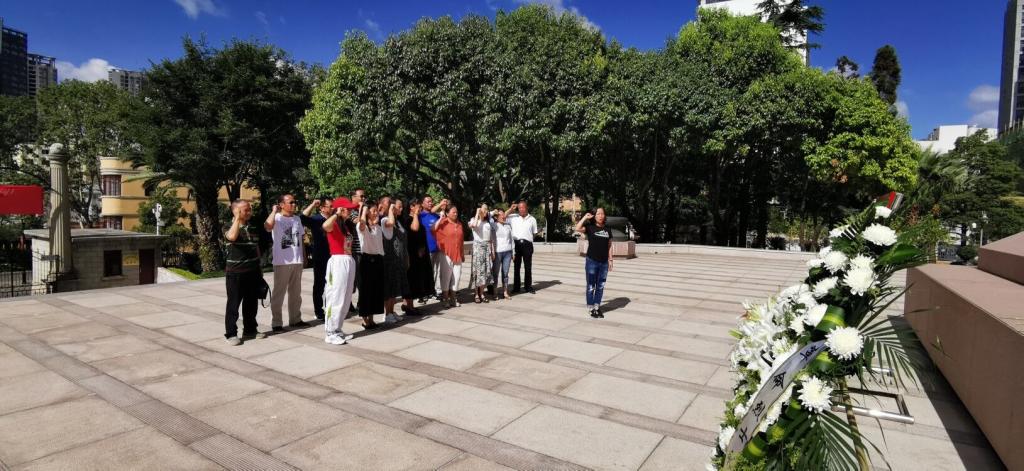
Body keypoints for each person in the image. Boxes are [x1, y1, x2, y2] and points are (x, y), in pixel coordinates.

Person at [223, 200, 267, 345]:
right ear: (235, 211)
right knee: (233, 304)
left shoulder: (253, 226)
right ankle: (231, 333)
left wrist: (259, 268)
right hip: (235, 273)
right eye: (245, 210)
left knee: (251, 303)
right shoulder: (227, 226)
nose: (249, 212)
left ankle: (250, 330)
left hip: (253, 271)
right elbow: (231, 237)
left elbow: (256, 248)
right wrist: (237, 218)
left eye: (250, 209)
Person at [264, 194, 309, 331]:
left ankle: (295, 319)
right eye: (291, 202)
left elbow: (301, 239)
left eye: (295, 202)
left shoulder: (297, 219)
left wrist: (304, 256)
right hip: (282, 261)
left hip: (297, 260)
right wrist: (273, 211)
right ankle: (277, 323)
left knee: (296, 293)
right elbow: (267, 226)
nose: (294, 204)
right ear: (281, 204)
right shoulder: (276, 218)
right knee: (279, 293)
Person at [321, 197, 360, 345]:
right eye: (347, 209)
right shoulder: (333, 223)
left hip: (348, 259)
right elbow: (325, 225)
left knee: (346, 296)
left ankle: (337, 329)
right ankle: (330, 332)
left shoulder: (346, 226)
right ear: (340, 209)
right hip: (337, 261)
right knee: (335, 296)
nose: (350, 211)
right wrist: (336, 214)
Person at [575, 208, 613, 318]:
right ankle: (591, 308)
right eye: (598, 214)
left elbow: (610, 245)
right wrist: (585, 217)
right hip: (592, 261)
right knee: (591, 286)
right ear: (594, 216)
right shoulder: (590, 227)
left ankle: (597, 307)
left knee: (600, 286)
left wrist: (610, 260)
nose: (601, 216)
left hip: (604, 262)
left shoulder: (607, 229)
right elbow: (577, 228)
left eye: (602, 214)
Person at [301, 198, 331, 320]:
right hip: (320, 256)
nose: (332, 208)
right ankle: (319, 311)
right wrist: (313, 204)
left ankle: (330, 308)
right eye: (329, 206)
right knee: (319, 285)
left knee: (332, 285)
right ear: (322, 208)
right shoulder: (316, 219)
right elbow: (302, 217)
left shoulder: (334, 218)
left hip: (333, 256)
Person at [356, 203, 386, 329]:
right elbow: (361, 224)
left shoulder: (378, 227)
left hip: (378, 259)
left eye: (376, 211)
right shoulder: (362, 226)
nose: (376, 213)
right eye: (373, 211)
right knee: (365, 290)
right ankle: (365, 320)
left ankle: (372, 319)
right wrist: (363, 210)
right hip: (366, 260)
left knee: (375, 290)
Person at [381, 199, 410, 324]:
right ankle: (387, 313)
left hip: (399, 257)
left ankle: (392, 311)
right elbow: (390, 223)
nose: (401, 209)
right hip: (389, 258)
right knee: (389, 287)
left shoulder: (398, 222)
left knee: (394, 288)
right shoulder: (384, 220)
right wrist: (391, 209)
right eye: (399, 206)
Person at [401, 198, 431, 314]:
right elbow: (415, 228)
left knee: (416, 280)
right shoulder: (408, 220)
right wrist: (415, 215)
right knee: (411, 280)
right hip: (411, 254)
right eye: (417, 206)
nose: (419, 208)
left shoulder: (417, 218)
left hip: (419, 255)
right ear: (411, 207)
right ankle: (409, 306)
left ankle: (409, 305)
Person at [434, 205, 464, 308]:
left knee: (457, 277)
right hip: (446, 254)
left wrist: (462, 253)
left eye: (456, 212)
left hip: (458, 254)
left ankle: (453, 299)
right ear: (447, 213)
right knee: (446, 278)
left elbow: (461, 240)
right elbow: (433, 229)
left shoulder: (459, 224)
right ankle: (445, 299)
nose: (456, 214)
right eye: (453, 212)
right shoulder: (443, 222)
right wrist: (440, 218)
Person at [507, 200, 539, 294]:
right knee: (516, 267)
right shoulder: (513, 217)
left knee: (528, 267)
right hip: (516, 244)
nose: (521, 209)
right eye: (519, 208)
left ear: (526, 208)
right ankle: (516, 287)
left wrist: (527, 239)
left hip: (527, 245)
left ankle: (528, 287)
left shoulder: (532, 219)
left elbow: (534, 233)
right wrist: (511, 209)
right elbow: (503, 216)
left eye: (523, 207)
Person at [418, 196, 444, 302]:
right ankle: (424, 292)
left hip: (437, 248)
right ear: (422, 204)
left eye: (431, 201)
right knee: (426, 271)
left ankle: (435, 291)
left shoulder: (435, 215)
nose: (430, 203)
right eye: (428, 201)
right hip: (426, 248)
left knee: (437, 271)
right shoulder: (420, 216)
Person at [468, 205, 495, 303]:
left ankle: (482, 293)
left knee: (486, 271)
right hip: (478, 248)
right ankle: (476, 293)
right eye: (483, 208)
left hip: (487, 248)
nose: (485, 211)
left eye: (486, 209)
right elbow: (473, 225)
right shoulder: (473, 220)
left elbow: (490, 238)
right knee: (478, 271)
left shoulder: (487, 222)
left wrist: (492, 250)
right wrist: (477, 213)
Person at [347, 188, 367, 315]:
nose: (363, 198)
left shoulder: (364, 209)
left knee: (363, 279)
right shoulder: (350, 210)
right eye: (361, 196)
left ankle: (361, 302)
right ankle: (348, 303)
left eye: (364, 196)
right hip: (355, 251)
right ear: (353, 197)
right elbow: (357, 222)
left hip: (364, 249)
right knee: (354, 279)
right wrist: (361, 209)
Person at [491, 208, 514, 301]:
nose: (503, 216)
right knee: (495, 273)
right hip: (497, 252)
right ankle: (495, 292)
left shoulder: (508, 226)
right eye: (501, 215)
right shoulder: (493, 225)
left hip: (508, 252)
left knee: (505, 273)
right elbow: (488, 217)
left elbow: (511, 240)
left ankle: (505, 292)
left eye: (504, 214)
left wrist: (513, 252)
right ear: (496, 217)